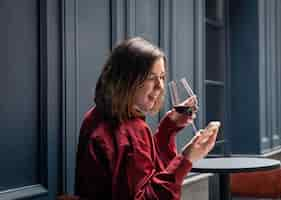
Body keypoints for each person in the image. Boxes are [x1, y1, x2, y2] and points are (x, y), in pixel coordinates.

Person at [75, 37, 220, 200]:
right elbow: (148, 194)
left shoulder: (95, 115)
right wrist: (187, 158)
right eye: (151, 77)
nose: (160, 86)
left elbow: (140, 171)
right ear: (127, 79)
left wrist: (168, 128)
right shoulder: (134, 129)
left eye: (162, 77)